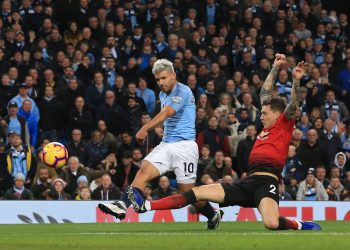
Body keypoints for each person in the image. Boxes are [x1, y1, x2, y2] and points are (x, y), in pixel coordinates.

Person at [127, 54, 322, 230]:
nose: (260, 116)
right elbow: (264, 92)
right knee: (195, 193)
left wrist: (296, 80)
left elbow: (294, 104)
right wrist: (274, 67)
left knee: (271, 223)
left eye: (264, 113)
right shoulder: (267, 125)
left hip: (266, 182)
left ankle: (297, 224)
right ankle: (146, 205)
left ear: (277, 114)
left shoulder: (285, 124)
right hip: (247, 181)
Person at [99, 59, 220, 229]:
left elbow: (168, 112)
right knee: (143, 170)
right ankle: (122, 205)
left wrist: (145, 128)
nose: (161, 82)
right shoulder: (163, 93)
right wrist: (161, 129)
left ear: (173, 75)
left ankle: (212, 214)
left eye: (163, 78)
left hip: (185, 147)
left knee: (188, 193)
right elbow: (168, 116)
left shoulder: (183, 91)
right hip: (166, 144)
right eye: (157, 79)